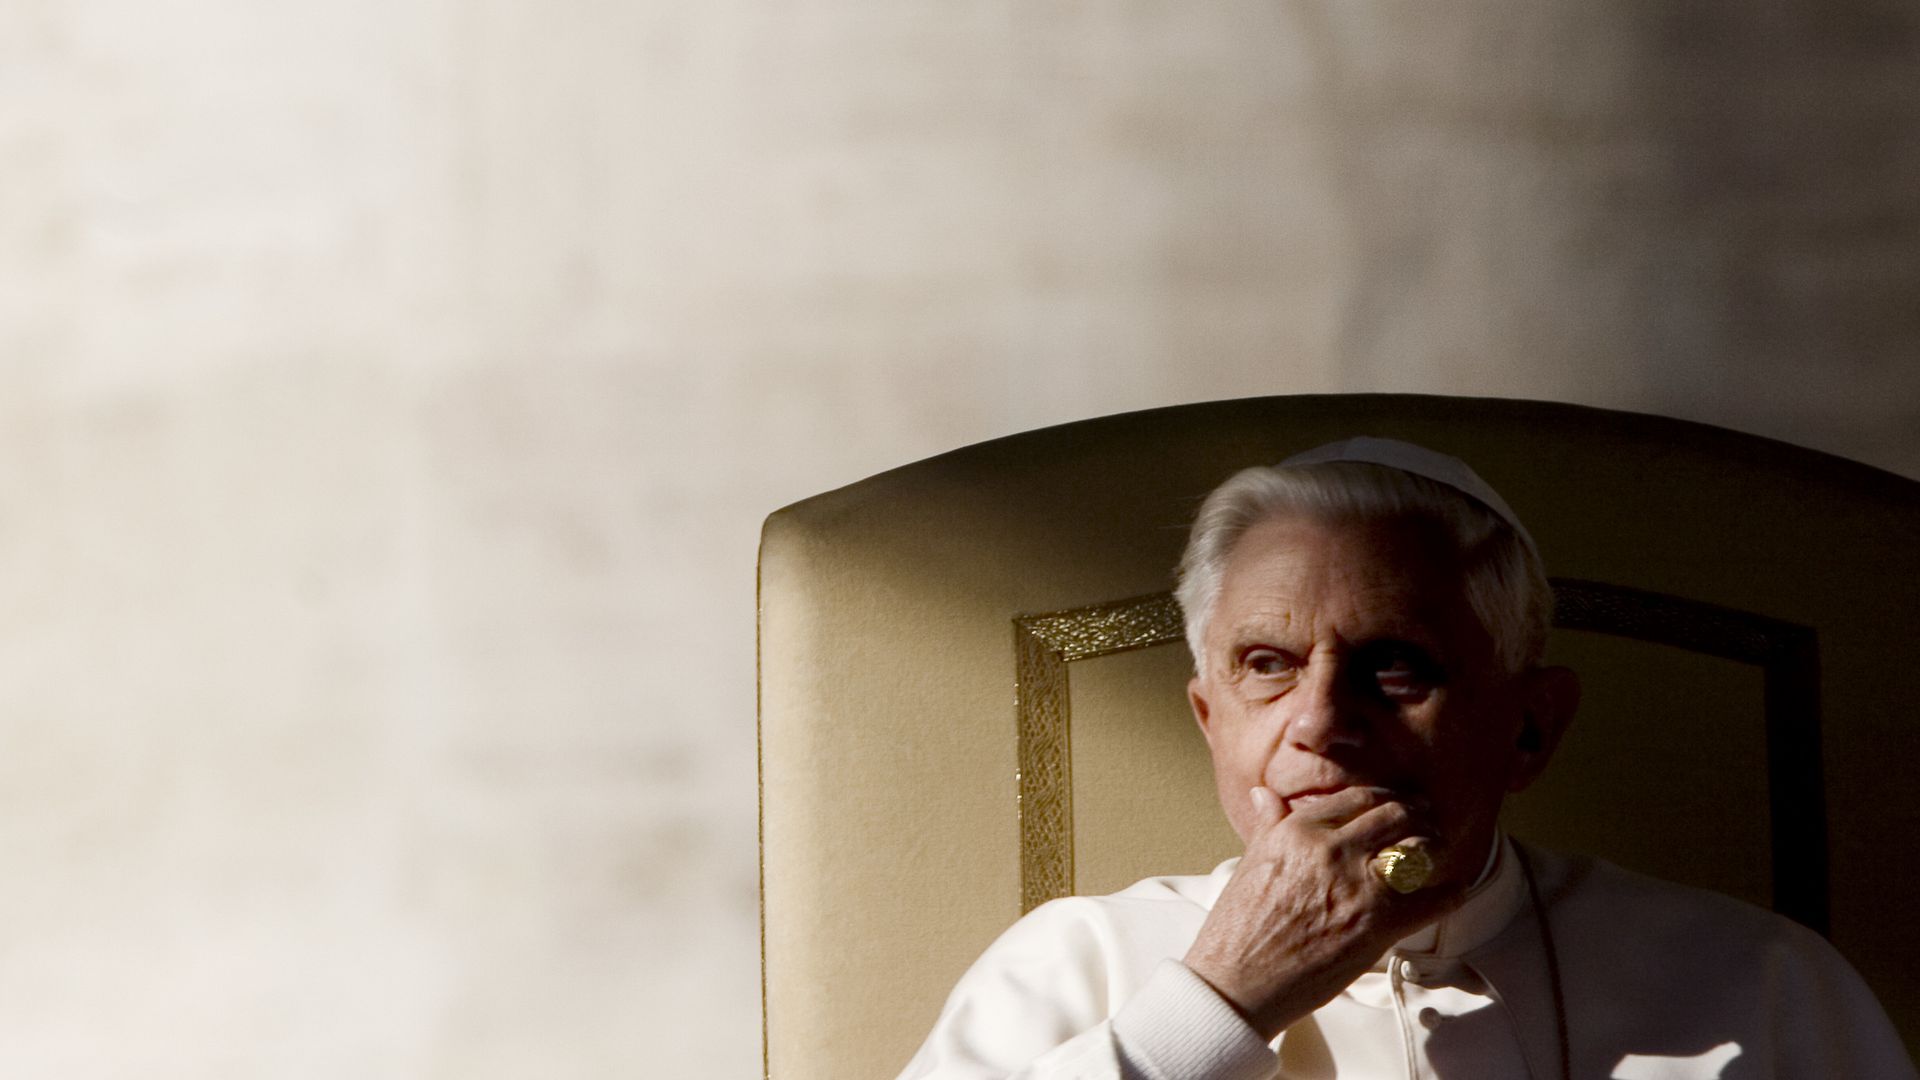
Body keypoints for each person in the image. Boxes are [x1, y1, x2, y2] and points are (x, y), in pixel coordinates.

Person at [897, 437, 1916, 1079]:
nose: (1321, 722)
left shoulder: (1755, 981)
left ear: (1529, 728)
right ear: (1210, 719)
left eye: (1393, 667)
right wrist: (1219, 1001)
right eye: (1267, 664)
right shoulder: (1079, 964)